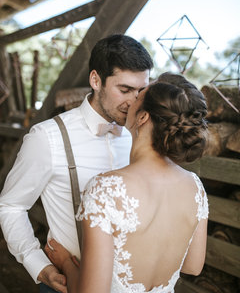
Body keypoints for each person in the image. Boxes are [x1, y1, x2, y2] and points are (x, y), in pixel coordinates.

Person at [0, 34, 153, 293]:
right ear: (95, 80)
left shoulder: (143, 133)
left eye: (141, 91)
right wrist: (39, 265)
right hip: (69, 283)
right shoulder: (48, 137)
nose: (134, 101)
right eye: (125, 90)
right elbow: (11, 206)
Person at [44, 72, 209, 293]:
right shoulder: (195, 187)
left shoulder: (104, 190)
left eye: (139, 96)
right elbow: (193, 266)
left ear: (142, 117)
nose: (131, 100)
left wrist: (65, 263)